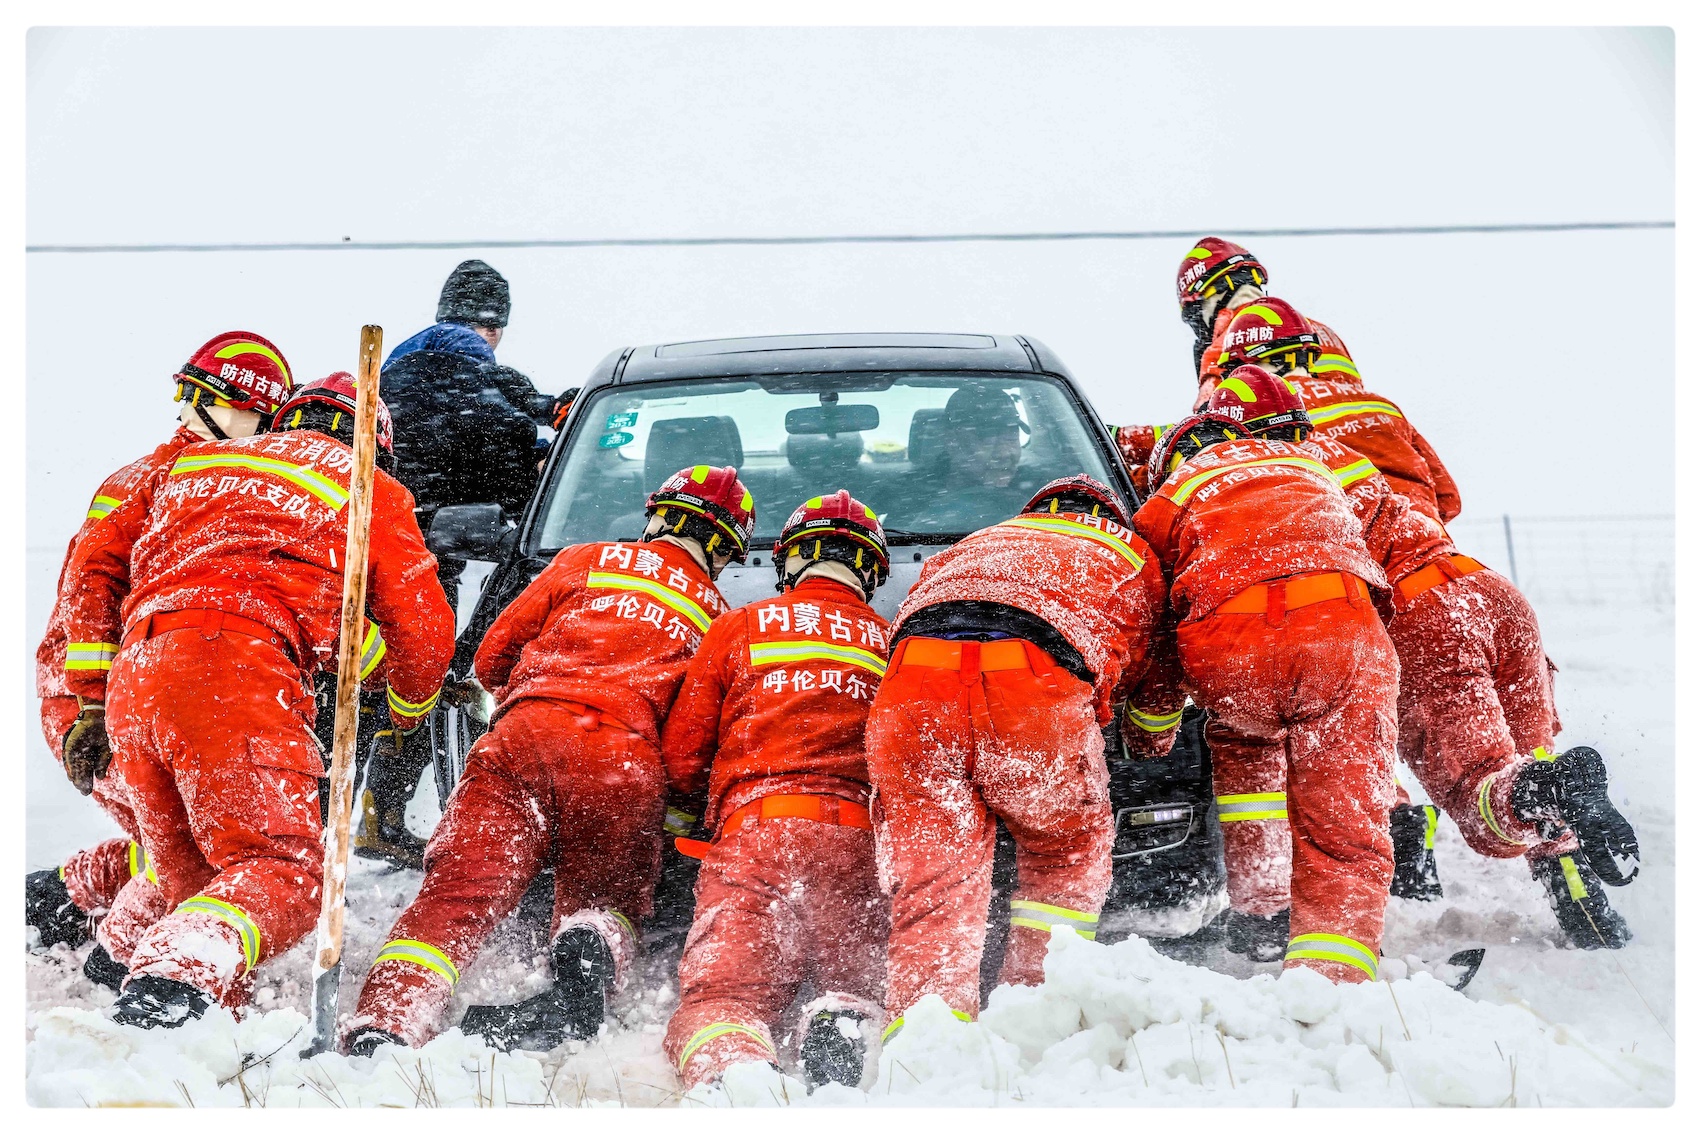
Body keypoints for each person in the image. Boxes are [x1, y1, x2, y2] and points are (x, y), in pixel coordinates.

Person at [56, 373, 455, 1027]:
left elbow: (97, 566)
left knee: (199, 880)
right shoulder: (367, 487)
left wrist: (90, 702)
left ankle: (198, 1030)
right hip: (234, 671)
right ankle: (166, 986)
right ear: (374, 445)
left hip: (138, 676)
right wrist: (410, 710)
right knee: (289, 871)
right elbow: (423, 629)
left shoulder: (195, 464)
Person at [1207, 365, 1637, 948]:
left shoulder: (1267, 480)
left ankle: (1555, 794)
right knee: (1531, 757)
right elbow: (1446, 498)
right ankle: (1584, 907)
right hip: (1489, 593)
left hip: (1424, 621)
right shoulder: (1339, 453)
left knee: (1484, 796)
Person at [343, 465, 753, 1057]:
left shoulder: (583, 559)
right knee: (608, 898)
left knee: (459, 890)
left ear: (658, 517)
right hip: (622, 756)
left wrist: (536, 703)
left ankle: (390, 1019)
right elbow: (689, 734)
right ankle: (586, 946)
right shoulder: (718, 616)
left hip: (525, 732)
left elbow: (491, 657)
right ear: (724, 549)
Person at [866, 475, 1170, 1039]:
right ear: (1108, 516)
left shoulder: (979, 540)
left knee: (934, 876)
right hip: (1032, 685)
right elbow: (1150, 664)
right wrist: (1148, 740)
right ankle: (1031, 1013)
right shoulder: (1131, 553)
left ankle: (924, 1042)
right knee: (1066, 851)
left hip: (913, 685)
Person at [27, 331, 293, 972]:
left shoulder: (196, 476)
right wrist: (90, 708)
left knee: (181, 835)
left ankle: (60, 898)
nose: (262, 435)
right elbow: (89, 591)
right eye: (258, 418)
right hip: (96, 694)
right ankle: (122, 960)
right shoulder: (159, 479)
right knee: (195, 848)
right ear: (221, 407)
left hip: (131, 689)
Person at [1134, 411, 1399, 983]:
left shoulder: (1173, 496)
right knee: (1345, 824)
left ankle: (1262, 913)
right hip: (1340, 633)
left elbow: (1154, 627)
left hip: (1232, 651)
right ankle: (1332, 978)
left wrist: (1150, 732)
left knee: (1242, 741)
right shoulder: (1312, 468)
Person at [660, 491, 893, 1089]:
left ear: (791, 563)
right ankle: (839, 1032)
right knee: (855, 988)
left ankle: (741, 1082)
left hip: (756, 838)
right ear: (868, 570)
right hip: (858, 846)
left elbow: (686, 750)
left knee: (723, 999)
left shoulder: (738, 626)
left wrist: (688, 812)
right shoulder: (893, 644)